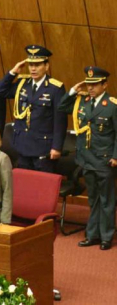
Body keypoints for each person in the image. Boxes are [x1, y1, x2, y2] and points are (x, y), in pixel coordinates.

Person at [58, 66, 116, 250]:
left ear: (105, 85)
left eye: (95, 84)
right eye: (89, 84)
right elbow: (61, 106)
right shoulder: (81, 101)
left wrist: (116, 156)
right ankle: (92, 235)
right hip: (87, 158)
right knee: (93, 199)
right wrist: (74, 91)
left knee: (106, 200)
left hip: (105, 159)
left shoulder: (112, 105)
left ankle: (106, 236)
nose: (91, 88)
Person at [0, 45, 67, 173]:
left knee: (42, 187)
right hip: (23, 144)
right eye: (31, 65)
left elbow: (60, 121)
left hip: (43, 147)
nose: (33, 69)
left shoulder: (55, 88)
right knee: (26, 186)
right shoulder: (23, 83)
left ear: (46, 66)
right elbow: (0, 91)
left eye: (38, 65)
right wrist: (13, 73)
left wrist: (57, 147)